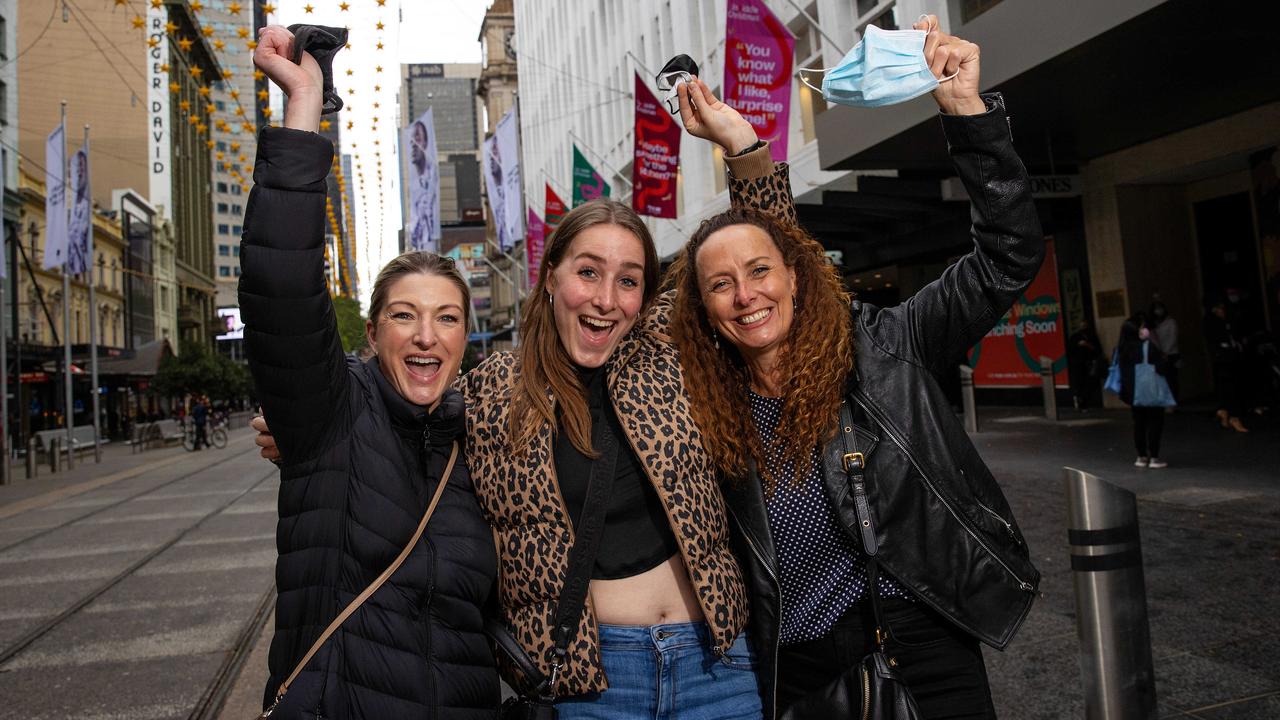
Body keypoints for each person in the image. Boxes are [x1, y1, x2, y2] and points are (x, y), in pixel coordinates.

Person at [250, 25, 788, 717]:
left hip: (719, 662)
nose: (605, 298)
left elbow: (763, 260)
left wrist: (740, 143)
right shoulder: (487, 394)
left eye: (628, 281)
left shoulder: (665, 348)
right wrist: (301, 426)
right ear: (549, 277)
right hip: (591, 684)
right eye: (587, 273)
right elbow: (374, 405)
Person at [669, 17, 1040, 719]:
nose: (747, 295)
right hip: (801, 671)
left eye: (759, 271)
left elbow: (1008, 258)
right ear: (702, 308)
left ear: (798, 277)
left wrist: (967, 113)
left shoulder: (885, 347)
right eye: (721, 284)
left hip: (921, 645)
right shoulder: (700, 407)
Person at [245, 26, 498, 718]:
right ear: (373, 331)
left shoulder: (484, 441)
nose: (425, 336)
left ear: (465, 335)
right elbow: (281, 285)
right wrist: (305, 111)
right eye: (405, 316)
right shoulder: (331, 418)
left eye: (446, 317)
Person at [1116, 315, 1170, 467]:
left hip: (1133, 393)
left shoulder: (1122, 349)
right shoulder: (1147, 347)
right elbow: (1162, 368)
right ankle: (1154, 456)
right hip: (1150, 390)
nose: (1144, 329)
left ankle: (1141, 456)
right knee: (1155, 422)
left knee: (1139, 423)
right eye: (1141, 326)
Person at [1205, 296, 1249, 433]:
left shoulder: (1227, 323)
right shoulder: (1213, 324)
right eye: (1219, 308)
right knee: (1231, 388)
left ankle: (1224, 411)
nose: (1222, 311)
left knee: (1229, 387)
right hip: (1224, 359)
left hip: (1228, 359)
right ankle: (1233, 416)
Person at [408, 120, 439, 250]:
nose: (413, 144)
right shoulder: (415, 186)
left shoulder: (433, 180)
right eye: (411, 141)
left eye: (418, 138)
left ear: (425, 142)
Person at [1067, 319, 1105, 411]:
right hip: (1079, 364)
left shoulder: (1092, 337)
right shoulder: (1075, 337)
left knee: (1088, 384)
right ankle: (1081, 402)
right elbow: (1070, 351)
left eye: (1085, 326)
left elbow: (1098, 350)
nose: (1083, 328)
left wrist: (1087, 345)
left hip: (1089, 363)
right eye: (1082, 326)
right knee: (1080, 383)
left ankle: (1084, 402)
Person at [1148, 299, 1180, 404]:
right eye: (1156, 309)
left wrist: (1166, 352)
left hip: (1170, 353)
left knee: (1171, 378)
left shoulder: (1171, 322)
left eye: (1160, 308)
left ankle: (1173, 401)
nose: (1158, 311)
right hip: (1158, 354)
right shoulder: (1152, 324)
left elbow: (1173, 337)